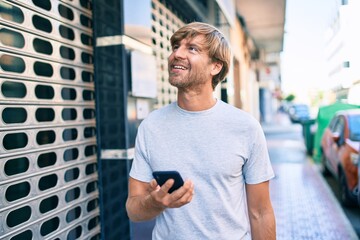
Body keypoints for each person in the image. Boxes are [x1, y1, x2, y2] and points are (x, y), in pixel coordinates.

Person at [126, 22, 276, 240]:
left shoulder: (245, 127)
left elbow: (261, 213)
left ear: (215, 66)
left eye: (192, 48)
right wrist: (154, 203)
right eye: (176, 47)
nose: (177, 54)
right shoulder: (151, 126)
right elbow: (133, 210)